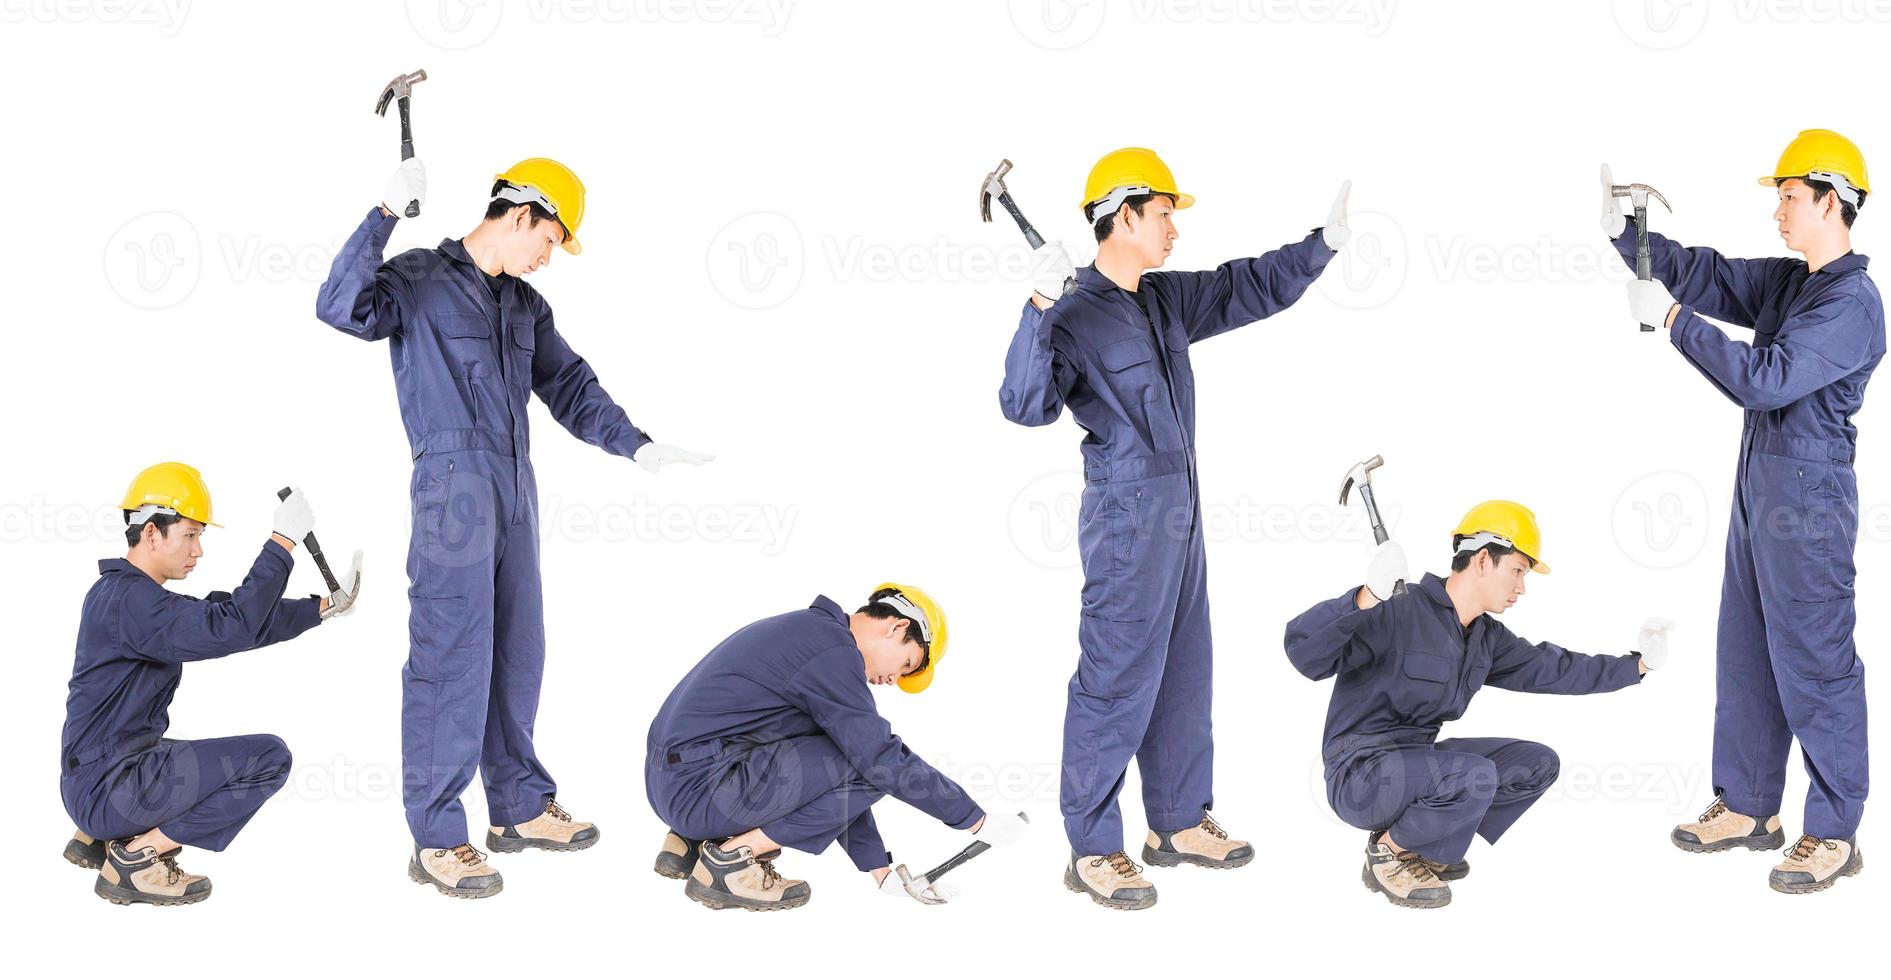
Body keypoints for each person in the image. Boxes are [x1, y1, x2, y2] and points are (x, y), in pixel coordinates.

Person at [316, 156, 715, 898]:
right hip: (452, 489)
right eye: (553, 238)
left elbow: (568, 384)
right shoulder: (417, 281)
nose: (551, 256)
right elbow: (340, 308)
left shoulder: (525, 306)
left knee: (517, 648)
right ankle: (437, 837)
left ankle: (519, 807)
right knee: (450, 653)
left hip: (516, 487)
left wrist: (638, 443)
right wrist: (381, 214)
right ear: (521, 213)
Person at [999, 146, 1350, 909]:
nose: (1173, 230)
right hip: (1129, 519)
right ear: (1123, 214)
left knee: (1186, 671)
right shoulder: (1068, 308)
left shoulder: (1161, 301)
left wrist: (1319, 247)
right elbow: (1025, 406)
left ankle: (1178, 823)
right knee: (1116, 677)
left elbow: (1243, 287)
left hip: (1182, 517)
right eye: (1164, 215)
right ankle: (1093, 847)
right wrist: (1035, 310)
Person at [1610, 129, 1881, 894]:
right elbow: (1710, 275)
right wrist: (1628, 239)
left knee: (1818, 663)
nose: (1779, 213)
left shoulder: (1854, 304)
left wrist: (1672, 324)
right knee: (1747, 652)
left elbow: (1768, 379)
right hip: (1760, 487)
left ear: (1832, 200)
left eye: (1789, 198)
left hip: (1810, 504)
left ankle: (1832, 832)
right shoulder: (1794, 284)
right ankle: (1751, 807)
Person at [1282, 501, 1661, 908]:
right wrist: (1365, 596)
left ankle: (1424, 846)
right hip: (1360, 774)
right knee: (1474, 774)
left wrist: (1637, 666)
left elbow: (1554, 668)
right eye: (1517, 571)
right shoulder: (1397, 607)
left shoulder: (1486, 638)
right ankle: (1388, 852)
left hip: (1418, 765)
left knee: (1536, 762)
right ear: (1482, 560)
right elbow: (1304, 652)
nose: (1521, 587)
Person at [60, 462, 357, 906]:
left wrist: (323, 607)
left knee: (182, 754)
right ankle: (137, 857)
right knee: (267, 758)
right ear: (151, 533)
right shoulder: (132, 601)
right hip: (109, 787)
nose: (198, 550)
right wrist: (281, 544)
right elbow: (232, 626)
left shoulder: (128, 596)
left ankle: (94, 836)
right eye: (190, 535)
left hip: (100, 776)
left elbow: (232, 619)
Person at [645, 585, 1023, 911]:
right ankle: (730, 859)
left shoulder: (812, 634)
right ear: (897, 626)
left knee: (856, 757)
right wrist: (975, 820)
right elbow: (877, 761)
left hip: (677, 785)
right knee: (877, 764)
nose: (893, 680)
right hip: (701, 791)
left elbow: (836, 769)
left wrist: (879, 870)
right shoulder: (831, 652)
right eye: (906, 663)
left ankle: (689, 843)